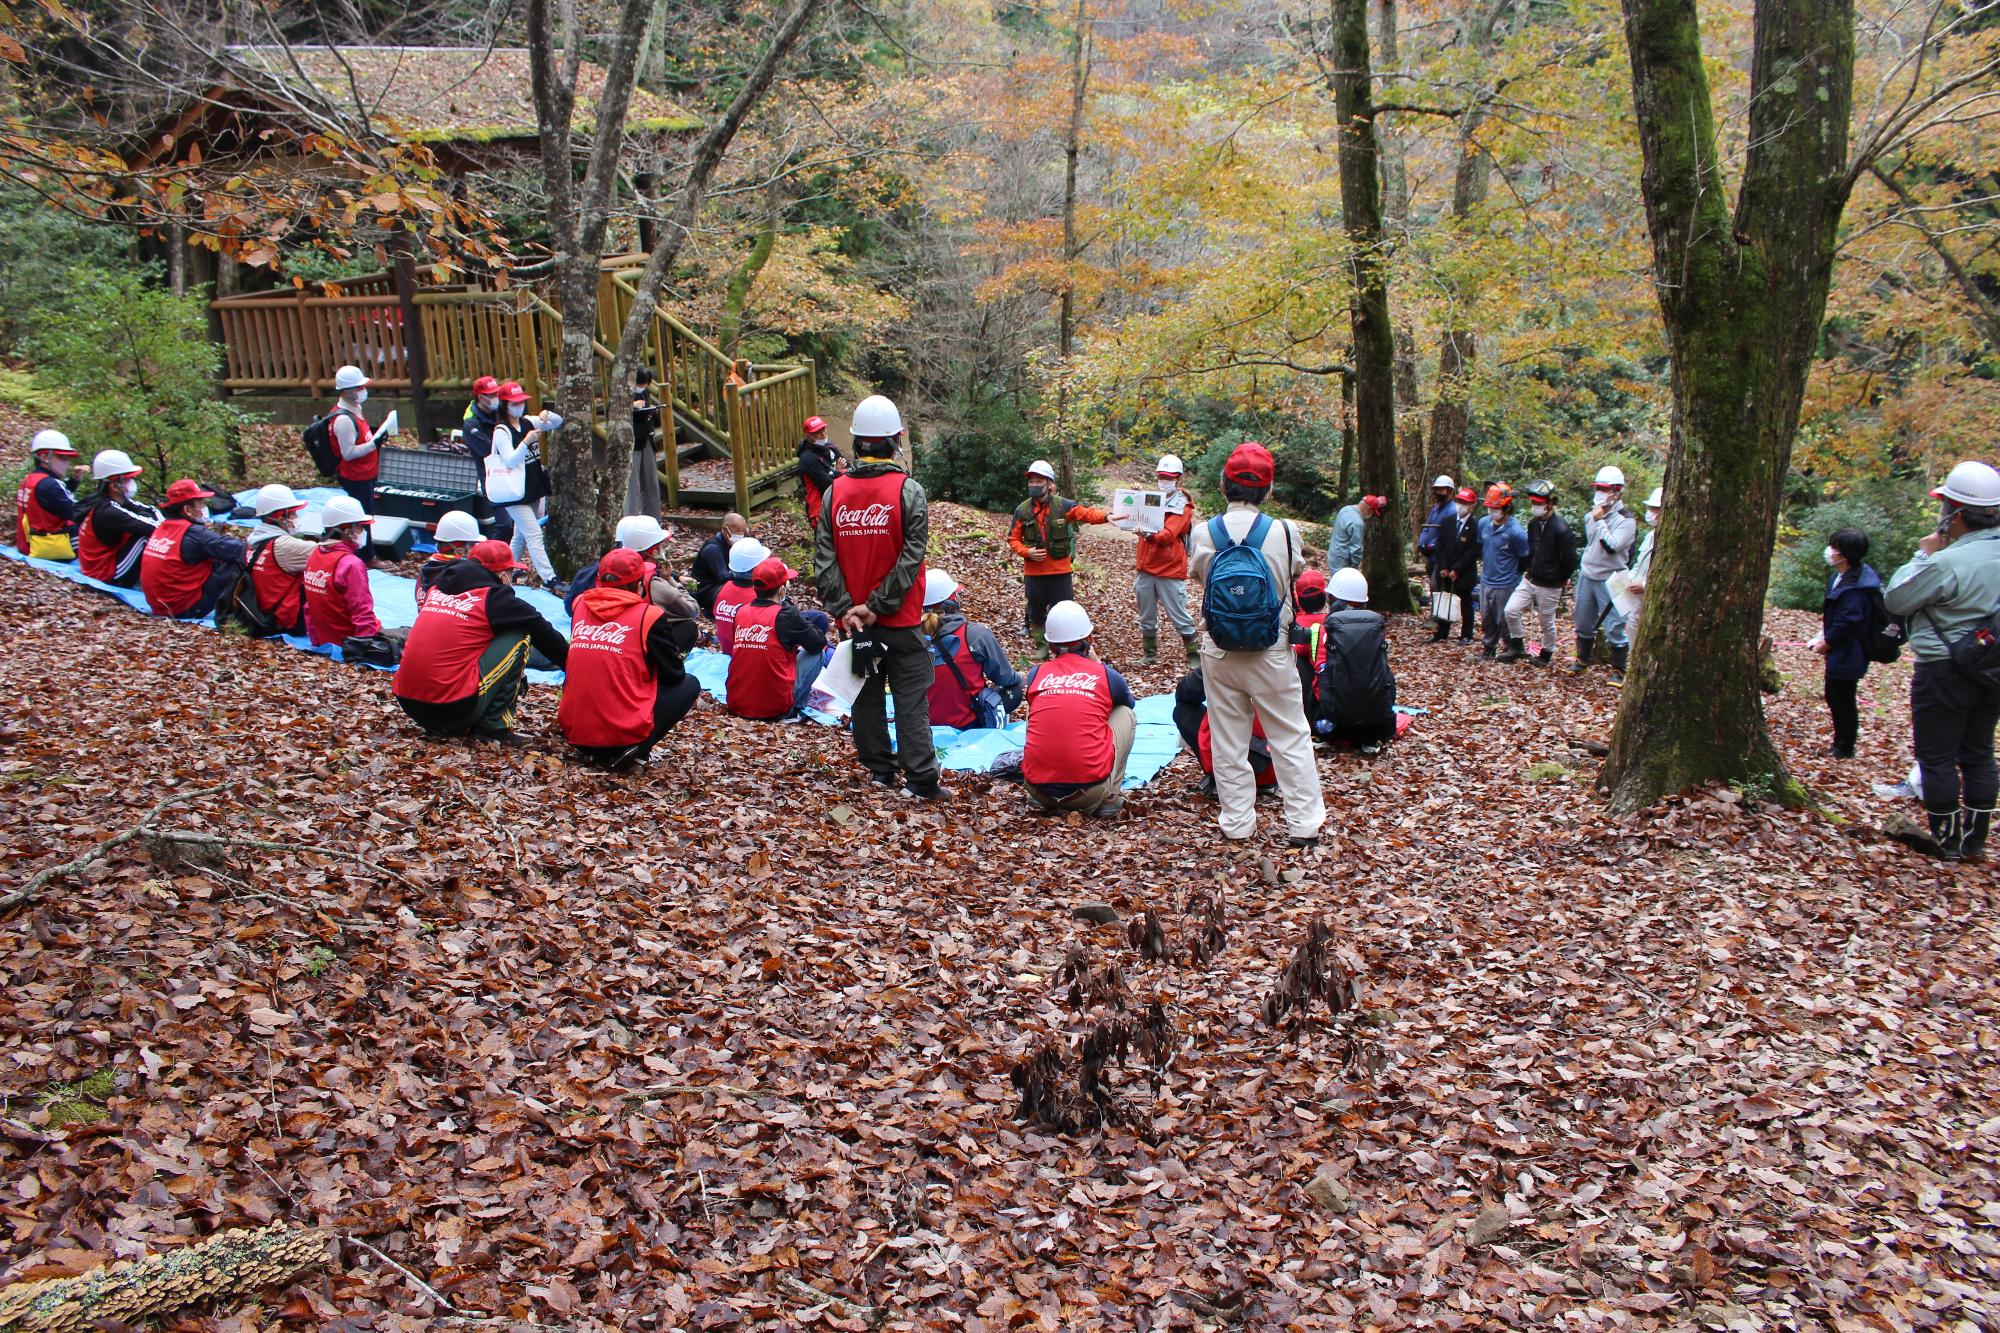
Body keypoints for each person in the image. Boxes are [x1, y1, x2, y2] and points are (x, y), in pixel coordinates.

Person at [1188, 441, 1325, 847]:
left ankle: (1237, 823)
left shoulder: (1203, 532)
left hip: (1219, 651)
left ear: (1223, 483)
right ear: (1268, 489)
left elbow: (1201, 580)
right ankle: (1303, 825)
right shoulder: (1284, 532)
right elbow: (1292, 575)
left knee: (1229, 739)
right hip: (1272, 651)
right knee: (1290, 736)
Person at [814, 393, 941, 798]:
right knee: (909, 697)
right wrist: (878, 606)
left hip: (855, 624)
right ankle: (920, 780)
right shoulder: (909, 491)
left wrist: (846, 610)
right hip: (899, 621)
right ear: (896, 440)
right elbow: (912, 557)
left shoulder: (834, 493)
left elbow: (824, 560)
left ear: (856, 442)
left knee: (867, 697)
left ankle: (880, 772)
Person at [1883, 460, 2000, 861]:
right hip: (1993, 670)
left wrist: (1923, 553)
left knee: (1937, 756)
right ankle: (1975, 841)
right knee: (1980, 752)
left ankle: (1947, 840)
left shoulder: (1948, 563)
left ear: (1955, 512)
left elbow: (1897, 598)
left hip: (1943, 669)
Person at [394, 540, 570, 746]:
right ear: (501, 574)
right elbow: (545, 634)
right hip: (451, 709)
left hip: (408, 703)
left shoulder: (437, 587)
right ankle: (494, 728)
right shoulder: (495, 598)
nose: (511, 579)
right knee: (519, 635)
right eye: (511, 573)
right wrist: (576, 669)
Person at [560, 546, 700, 770]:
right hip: (619, 735)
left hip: (574, 732)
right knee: (689, 683)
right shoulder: (649, 616)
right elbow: (674, 675)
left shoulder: (580, 605)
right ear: (639, 584)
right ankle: (635, 748)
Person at [1021, 601, 1136, 817]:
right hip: (1089, 791)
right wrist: (1099, 665)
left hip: (1037, 789)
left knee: (1034, 707)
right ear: (1089, 639)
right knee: (1125, 714)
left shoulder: (1037, 674)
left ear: (1051, 645)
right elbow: (1128, 703)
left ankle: (1042, 793)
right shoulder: (1106, 675)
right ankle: (1110, 795)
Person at [1008, 460, 1110, 655]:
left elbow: (1086, 514)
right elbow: (1013, 539)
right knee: (1036, 612)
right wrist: (1026, 552)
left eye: (1039, 481)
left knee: (1064, 611)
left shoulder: (1063, 505)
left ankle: (1066, 650)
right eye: (1031, 481)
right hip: (1034, 573)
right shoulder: (1022, 510)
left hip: (1060, 573)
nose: (1034, 485)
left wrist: (1107, 516)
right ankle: (1042, 648)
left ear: (1049, 483)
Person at [565, 516, 701, 652]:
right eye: (661, 547)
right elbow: (691, 609)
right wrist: (670, 580)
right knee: (687, 628)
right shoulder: (651, 585)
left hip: (593, 646)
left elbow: (569, 608)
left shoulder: (585, 585)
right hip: (627, 647)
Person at [726, 557, 834, 721]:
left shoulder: (740, 611)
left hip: (736, 702)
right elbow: (818, 643)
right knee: (816, 655)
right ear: (782, 590)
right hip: (774, 708)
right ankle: (795, 708)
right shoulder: (785, 614)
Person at [1121, 453, 1199, 665]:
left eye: (1169, 477)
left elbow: (1167, 536)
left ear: (1178, 479)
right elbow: (1141, 511)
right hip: (1146, 568)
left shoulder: (1183, 506)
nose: (1164, 481)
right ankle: (1150, 655)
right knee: (1146, 615)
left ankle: (1195, 656)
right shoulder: (1157, 499)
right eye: (1161, 476)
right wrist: (1135, 497)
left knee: (1179, 615)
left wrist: (1146, 533)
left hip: (1170, 570)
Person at [921, 569, 1024, 729]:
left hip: (924, 727)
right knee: (1015, 688)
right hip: (968, 723)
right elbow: (1005, 678)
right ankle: (993, 732)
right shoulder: (975, 634)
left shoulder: (911, 640)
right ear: (953, 599)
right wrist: (1020, 678)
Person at [1811, 527, 1880, 762]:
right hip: (1839, 649)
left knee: (1843, 697)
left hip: (1851, 651)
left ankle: (1845, 746)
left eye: (1835, 548)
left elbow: (1848, 621)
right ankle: (1839, 741)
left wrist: (1827, 643)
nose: (1830, 552)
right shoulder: (1837, 578)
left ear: (1846, 554)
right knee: (1832, 694)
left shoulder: (1857, 586)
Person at [1310, 567, 1397, 752]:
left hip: (1334, 724)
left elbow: (1319, 667)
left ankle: (1321, 734)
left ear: (1335, 600)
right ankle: (1370, 741)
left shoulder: (1327, 628)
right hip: (1373, 723)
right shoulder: (1376, 626)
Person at [490, 381, 564, 594]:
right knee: (533, 533)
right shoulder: (501, 431)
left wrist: (546, 415)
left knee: (520, 536)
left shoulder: (529, 422)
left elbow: (558, 422)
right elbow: (510, 460)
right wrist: (526, 442)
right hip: (513, 493)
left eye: (521, 402)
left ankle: (506, 571)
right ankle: (550, 579)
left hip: (532, 488)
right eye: (514, 403)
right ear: (505, 405)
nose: (519, 406)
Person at [304, 494, 396, 662]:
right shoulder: (351, 565)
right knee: (411, 636)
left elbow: (309, 609)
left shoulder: (314, 554)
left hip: (326, 641)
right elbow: (362, 613)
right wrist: (364, 653)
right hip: (351, 643)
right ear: (348, 531)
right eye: (361, 527)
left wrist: (317, 644)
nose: (364, 532)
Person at [140, 479, 245, 619]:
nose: (203, 507)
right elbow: (236, 549)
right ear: (187, 510)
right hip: (183, 608)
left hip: (160, 605)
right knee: (239, 560)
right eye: (200, 503)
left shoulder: (164, 527)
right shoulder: (194, 534)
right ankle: (241, 613)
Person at [1501, 479, 1578, 665]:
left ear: (1550, 503)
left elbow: (1570, 560)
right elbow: (1531, 550)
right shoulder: (1534, 524)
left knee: (1546, 621)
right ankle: (1517, 645)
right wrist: (1526, 569)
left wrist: (1561, 578)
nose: (1536, 506)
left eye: (1539, 503)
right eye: (1534, 503)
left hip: (1550, 584)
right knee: (1510, 610)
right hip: (1531, 579)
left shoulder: (1561, 529)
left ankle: (1546, 653)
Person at [1571, 464, 1637, 681]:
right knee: (1582, 621)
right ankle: (1583, 659)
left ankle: (1619, 669)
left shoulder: (1626, 520)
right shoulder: (1592, 516)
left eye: (1605, 489)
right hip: (1588, 574)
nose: (1600, 493)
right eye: (1598, 488)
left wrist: (1600, 521)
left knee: (1615, 626)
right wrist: (1597, 518)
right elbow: (1592, 544)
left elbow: (1612, 546)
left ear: (1617, 492)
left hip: (1613, 578)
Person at [1171, 666, 1276, 798]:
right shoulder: (1285, 656)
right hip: (1275, 763)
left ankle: (1221, 778)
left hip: (1230, 760)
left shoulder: (1221, 655)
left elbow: (1187, 690)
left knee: (1183, 708)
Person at [231, 483, 314, 636]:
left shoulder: (253, 540)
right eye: (293, 513)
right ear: (281, 517)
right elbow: (330, 555)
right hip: (281, 621)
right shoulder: (284, 545)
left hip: (257, 613)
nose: (296, 518)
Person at [76, 450, 159, 587]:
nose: (131, 483)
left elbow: (150, 509)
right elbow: (154, 528)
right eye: (127, 479)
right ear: (114, 486)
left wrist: (147, 516)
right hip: (104, 573)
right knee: (147, 538)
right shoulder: (108, 511)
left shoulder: (116, 500)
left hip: (105, 562)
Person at [328, 364, 390, 514]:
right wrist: (374, 444)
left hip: (367, 473)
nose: (363, 391)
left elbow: (361, 436)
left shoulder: (356, 408)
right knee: (363, 517)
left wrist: (377, 436)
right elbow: (348, 453)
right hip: (356, 478)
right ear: (347, 391)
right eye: (359, 388)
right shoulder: (344, 420)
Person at [1476, 484, 1528, 659]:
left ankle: (1510, 649)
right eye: (1490, 507)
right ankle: (1488, 649)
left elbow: (1524, 557)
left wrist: (1514, 577)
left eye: (1496, 508)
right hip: (1487, 579)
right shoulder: (1483, 524)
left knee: (1504, 619)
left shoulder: (1516, 532)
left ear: (1506, 507)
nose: (1492, 511)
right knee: (1486, 619)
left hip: (1506, 583)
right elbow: (1480, 547)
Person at [461, 375, 513, 541]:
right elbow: (489, 452)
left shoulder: (501, 412)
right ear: (480, 398)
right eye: (491, 395)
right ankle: (490, 556)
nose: (495, 398)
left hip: (513, 474)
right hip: (493, 479)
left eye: (496, 394)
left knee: (517, 525)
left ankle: (507, 560)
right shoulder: (472, 425)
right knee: (505, 525)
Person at [16, 429, 80, 559]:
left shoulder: (30, 479)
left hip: (26, 544)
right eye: (63, 458)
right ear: (45, 457)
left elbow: (54, 501)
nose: (67, 464)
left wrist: (73, 481)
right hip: (47, 548)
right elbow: (76, 513)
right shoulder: (49, 484)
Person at [1429, 486, 1480, 643]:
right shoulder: (1448, 521)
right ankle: (1442, 632)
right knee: (1445, 599)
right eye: (1459, 501)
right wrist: (1443, 566)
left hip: (1464, 572)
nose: (1461, 505)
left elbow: (1473, 551)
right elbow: (1440, 544)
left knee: (1465, 602)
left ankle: (1466, 634)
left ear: (1472, 506)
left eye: (1465, 503)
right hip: (1446, 570)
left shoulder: (1475, 525)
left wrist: (1457, 569)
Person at [712, 538, 772, 654]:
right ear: (758, 567)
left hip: (727, 652)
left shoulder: (721, 590)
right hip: (750, 657)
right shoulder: (762, 597)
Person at [417, 510, 484, 600]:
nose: (473, 548)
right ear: (459, 549)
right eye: (471, 544)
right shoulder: (463, 576)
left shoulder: (425, 570)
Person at [692, 512, 750, 615]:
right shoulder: (713, 549)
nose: (740, 535)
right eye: (737, 531)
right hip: (706, 590)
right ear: (725, 530)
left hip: (721, 585)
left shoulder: (735, 545)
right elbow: (723, 577)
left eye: (743, 531)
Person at [1625, 487, 1663, 635]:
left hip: (1651, 599)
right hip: (1636, 600)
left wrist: (1645, 585)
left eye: (1655, 509)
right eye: (1650, 508)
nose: (1651, 513)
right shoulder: (1650, 536)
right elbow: (1639, 564)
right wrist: (1628, 580)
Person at [1291, 569, 1330, 710]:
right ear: (1324, 595)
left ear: (1299, 600)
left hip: (1316, 695)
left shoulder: (1296, 626)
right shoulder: (1334, 623)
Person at [797, 415, 843, 531]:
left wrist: (835, 473)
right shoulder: (807, 459)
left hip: (839, 505)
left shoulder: (831, 447)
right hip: (820, 512)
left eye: (823, 429)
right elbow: (828, 484)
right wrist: (837, 471)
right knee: (825, 546)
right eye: (818, 432)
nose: (823, 434)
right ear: (809, 436)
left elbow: (849, 468)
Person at [629, 365, 663, 519]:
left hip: (647, 438)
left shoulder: (645, 393)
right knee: (633, 485)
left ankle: (653, 518)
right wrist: (632, 406)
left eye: (644, 386)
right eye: (640, 385)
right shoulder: (623, 390)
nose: (641, 388)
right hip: (633, 441)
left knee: (651, 483)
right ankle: (631, 519)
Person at [1329, 494, 1385, 572]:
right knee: (1343, 583)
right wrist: (1354, 568)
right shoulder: (1357, 524)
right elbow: (1356, 549)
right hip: (1343, 562)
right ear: (1369, 510)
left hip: (1333, 555)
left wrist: (1377, 502)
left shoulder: (1345, 509)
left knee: (1335, 581)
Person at [1417, 475, 1456, 578]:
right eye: (1437, 489)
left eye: (1441, 490)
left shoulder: (1452, 511)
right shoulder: (1435, 508)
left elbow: (1448, 536)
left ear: (1449, 491)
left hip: (1441, 558)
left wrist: (1432, 546)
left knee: (1438, 587)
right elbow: (1427, 527)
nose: (1438, 492)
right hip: (1431, 557)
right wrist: (1422, 543)